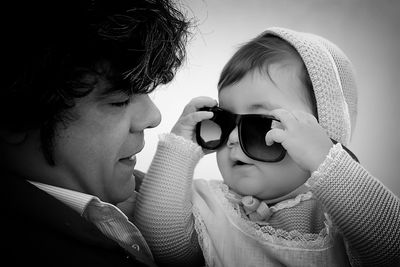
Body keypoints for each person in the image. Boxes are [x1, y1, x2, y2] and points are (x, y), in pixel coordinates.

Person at [133, 27, 400, 266]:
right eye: (225, 121)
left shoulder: (346, 214)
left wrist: (328, 163)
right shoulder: (210, 205)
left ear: (323, 136)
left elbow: (393, 249)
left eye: (260, 125)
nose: (233, 138)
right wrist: (178, 148)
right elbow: (162, 246)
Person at [0, 0, 191, 266]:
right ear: (17, 117)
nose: (153, 117)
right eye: (119, 100)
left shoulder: (158, 195)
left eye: (145, 90)